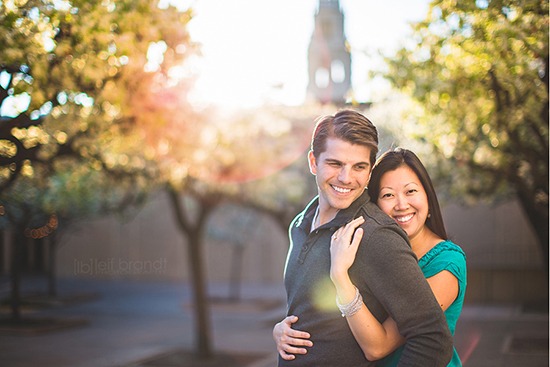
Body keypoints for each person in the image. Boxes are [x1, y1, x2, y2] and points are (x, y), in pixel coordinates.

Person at [273, 110, 453, 366]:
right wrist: (279, 329)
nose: (346, 178)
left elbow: (433, 338)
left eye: (359, 167)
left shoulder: (375, 235)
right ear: (313, 162)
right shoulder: (301, 223)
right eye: (335, 164)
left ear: (370, 172)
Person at [330, 148, 467, 366]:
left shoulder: (446, 263)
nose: (402, 205)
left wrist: (340, 279)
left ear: (428, 197)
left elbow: (377, 347)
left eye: (411, 191)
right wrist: (284, 329)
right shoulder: (369, 252)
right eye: (388, 195)